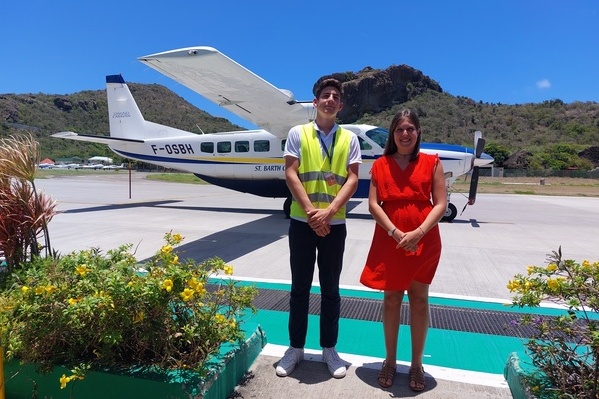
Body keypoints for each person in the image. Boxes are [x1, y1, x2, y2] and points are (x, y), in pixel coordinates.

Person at [276, 78, 361, 379]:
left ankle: (329, 349)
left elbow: (353, 178)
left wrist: (330, 212)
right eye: (325, 95)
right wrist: (314, 213)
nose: (330, 100)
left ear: (340, 105)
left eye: (335, 97)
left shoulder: (349, 139)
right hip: (303, 222)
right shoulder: (298, 133)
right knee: (299, 288)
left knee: (330, 290)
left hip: (334, 224)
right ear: (315, 103)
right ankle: (295, 348)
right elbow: (290, 172)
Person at [360, 109, 447, 391]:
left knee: (420, 299)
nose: (405, 134)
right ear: (393, 134)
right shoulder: (380, 164)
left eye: (410, 128)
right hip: (390, 238)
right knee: (391, 298)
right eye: (400, 129)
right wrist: (396, 232)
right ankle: (390, 360)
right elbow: (373, 205)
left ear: (418, 132)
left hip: (424, 238)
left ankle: (417, 364)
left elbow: (440, 203)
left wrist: (419, 232)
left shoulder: (432, 163)